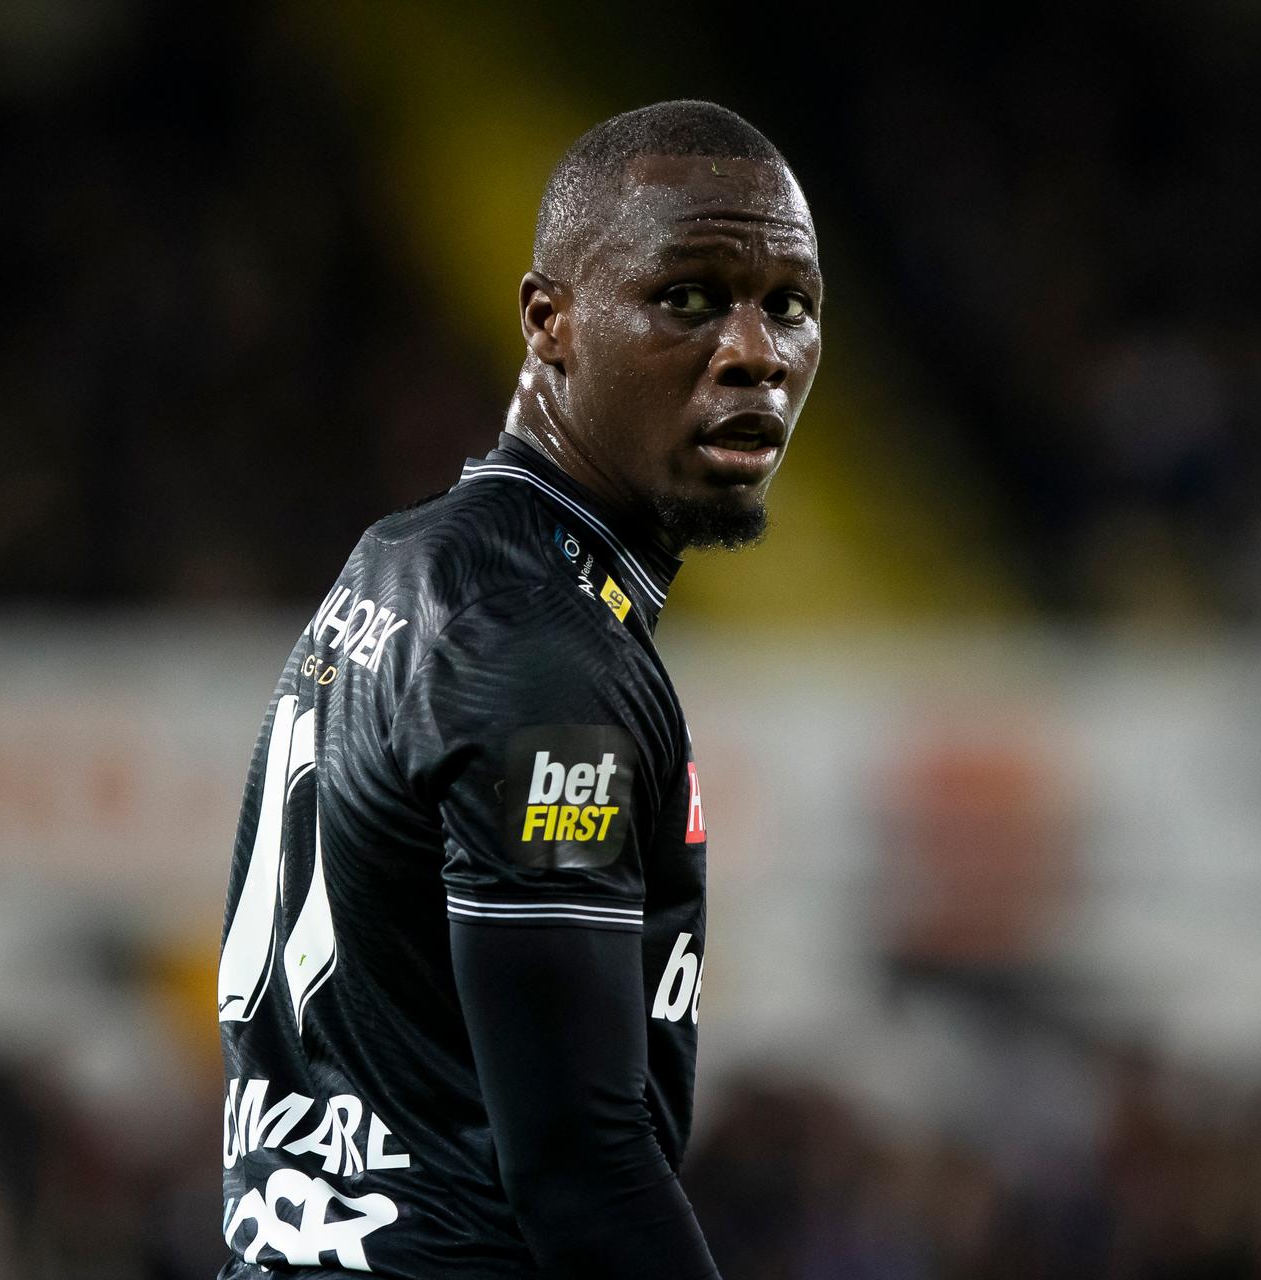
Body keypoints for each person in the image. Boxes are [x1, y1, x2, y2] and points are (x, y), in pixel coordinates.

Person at [216, 100, 823, 1278]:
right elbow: (581, 1169)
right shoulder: (544, 656)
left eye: (789, 305)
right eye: (689, 297)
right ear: (550, 321)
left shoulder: (402, 563)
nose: (756, 351)